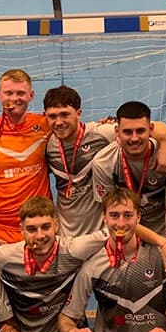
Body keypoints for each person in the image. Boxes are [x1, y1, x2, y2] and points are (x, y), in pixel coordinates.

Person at [0, 196, 166, 332]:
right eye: (31, 229)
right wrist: (5, 318)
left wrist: (163, 242)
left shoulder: (75, 249)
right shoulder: (4, 257)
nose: (40, 236)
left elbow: (123, 227)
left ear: (56, 225)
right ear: (21, 230)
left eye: (45, 227)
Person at [57, 188, 166, 332]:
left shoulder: (162, 257)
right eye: (114, 215)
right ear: (104, 218)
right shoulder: (92, 266)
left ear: (138, 217)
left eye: (128, 215)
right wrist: (74, 331)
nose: (121, 223)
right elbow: (66, 319)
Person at [0, 69, 52, 245]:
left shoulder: (46, 125)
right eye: (8, 93)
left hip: (38, 223)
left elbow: (73, 127)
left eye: (21, 93)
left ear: (31, 95)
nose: (14, 98)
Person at [42, 85, 117, 236]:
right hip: (65, 235)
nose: (58, 122)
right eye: (52, 116)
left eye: (65, 115)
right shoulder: (47, 145)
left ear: (79, 113)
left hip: (101, 234)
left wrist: (165, 146)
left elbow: (150, 131)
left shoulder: (102, 133)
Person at [91, 101, 166, 234]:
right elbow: (110, 215)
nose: (134, 138)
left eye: (140, 131)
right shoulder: (103, 162)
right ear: (117, 131)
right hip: (124, 235)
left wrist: (164, 244)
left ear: (151, 129)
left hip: (164, 237)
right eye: (127, 132)